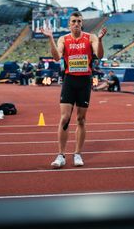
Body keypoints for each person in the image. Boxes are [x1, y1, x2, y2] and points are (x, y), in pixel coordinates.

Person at [41, 11, 107, 168]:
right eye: (73, 21)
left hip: (84, 81)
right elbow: (57, 57)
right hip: (69, 81)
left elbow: (99, 54)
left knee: (81, 119)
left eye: (79, 21)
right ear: (69, 24)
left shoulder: (90, 37)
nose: (76, 23)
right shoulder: (63, 39)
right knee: (64, 118)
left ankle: (77, 153)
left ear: (81, 23)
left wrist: (100, 39)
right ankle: (61, 155)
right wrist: (50, 38)